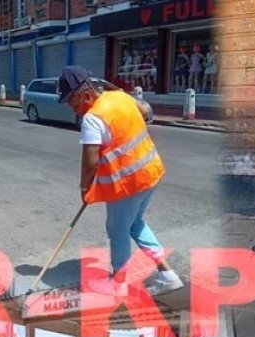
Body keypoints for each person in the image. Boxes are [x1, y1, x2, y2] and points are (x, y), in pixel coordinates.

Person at [58, 65, 183, 298]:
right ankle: (168, 275)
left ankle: (118, 284)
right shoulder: (119, 97)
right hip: (150, 173)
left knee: (117, 230)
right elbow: (144, 112)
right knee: (135, 224)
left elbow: (90, 162)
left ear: (86, 95)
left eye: (73, 103)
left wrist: (85, 188)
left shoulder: (93, 118)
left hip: (128, 184)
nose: (73, 109)